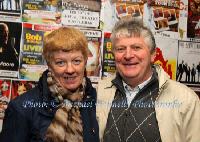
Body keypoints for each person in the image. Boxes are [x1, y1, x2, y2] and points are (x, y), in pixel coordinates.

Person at [96, 18, 200, 142]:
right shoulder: (99, 91)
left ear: (152, 55)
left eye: (136, 47)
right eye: (120, 49)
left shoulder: (186, 99)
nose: (128, 55)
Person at [0, 27, 99, 142]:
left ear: (85, 61)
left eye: (76, 61)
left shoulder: (93, 99)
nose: (70, 69)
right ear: (49, 64)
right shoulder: (21, 108)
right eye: (60, 62)